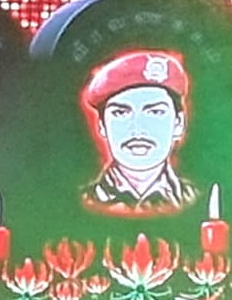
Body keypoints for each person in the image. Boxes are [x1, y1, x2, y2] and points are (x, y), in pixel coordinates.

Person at [79, 50, 198, 216]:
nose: (138, 129)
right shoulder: (82, 201)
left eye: (155, 112)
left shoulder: (197, 199)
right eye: (121, 113)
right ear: (102, 126)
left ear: (178, 123)